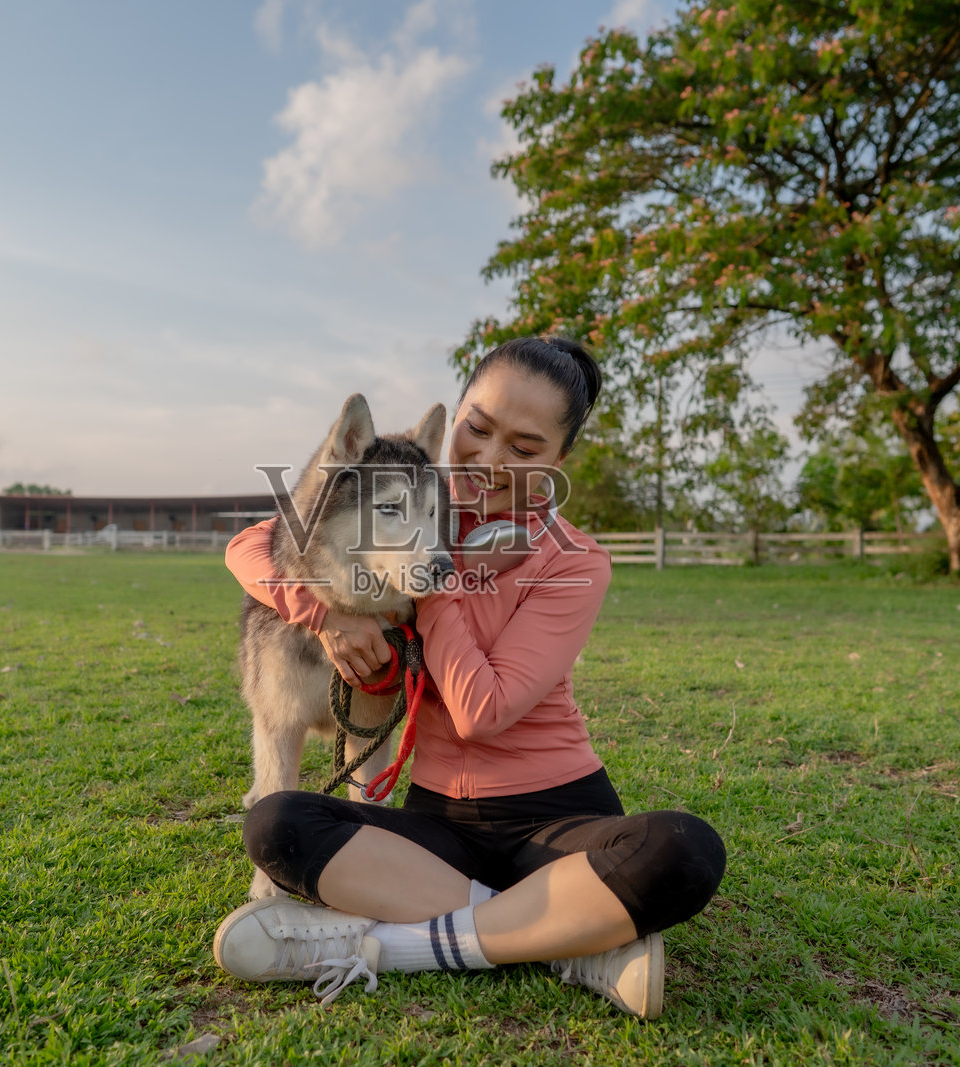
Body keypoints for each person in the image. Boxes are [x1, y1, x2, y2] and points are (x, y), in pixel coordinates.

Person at [213, 336, 725, 1019]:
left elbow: (483, 708)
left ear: (559, 460)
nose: (487, 459)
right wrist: (323, 616)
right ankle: (571, 941)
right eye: (477, 428)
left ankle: (390, 945)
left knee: (683, 851)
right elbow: (253, 545)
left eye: (524, 445)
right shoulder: (418, 495)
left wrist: (435, 576)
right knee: (277, 823)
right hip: (441, 823)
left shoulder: (573, 560)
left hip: (556, 816)